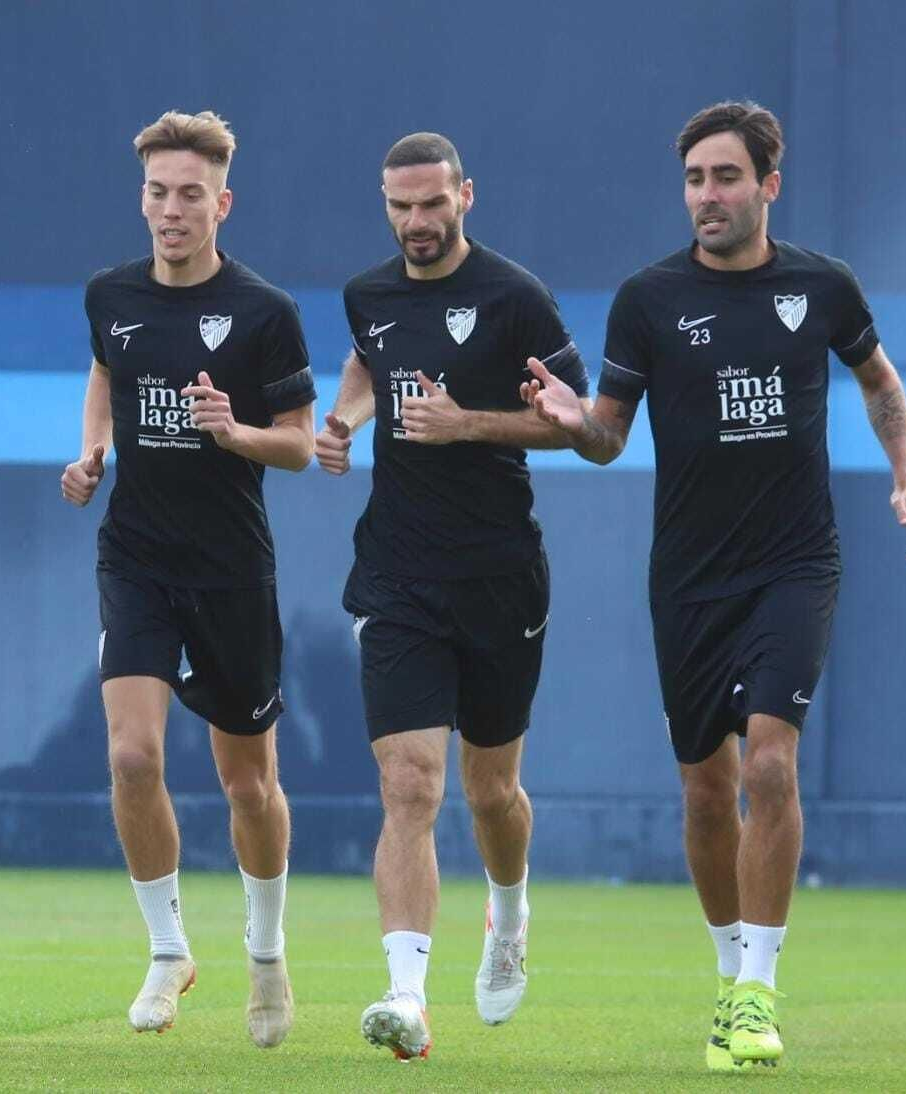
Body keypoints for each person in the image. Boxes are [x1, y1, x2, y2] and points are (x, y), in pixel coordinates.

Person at [523, 100, 906, 1071]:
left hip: (796, 564)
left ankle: (758, 988)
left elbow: (878, 381)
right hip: (687, 579)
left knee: (768, 764)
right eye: (692, 180)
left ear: (768, 184)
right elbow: (606, 438)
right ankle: (726, 973)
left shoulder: (822, 286)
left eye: (723, 177)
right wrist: (564, 415)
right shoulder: (647, 297)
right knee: (708, 789)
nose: (705, 196)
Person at [315, 132, 590, 1060]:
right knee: (409, 784)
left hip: (500, 574)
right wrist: (345, 418)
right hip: (396, 572)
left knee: (491, 790)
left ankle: (508, 914)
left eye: (433, 204)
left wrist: (466, 423)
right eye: (400, 207)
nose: (417, 223)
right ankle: (407, 996)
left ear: (466, 195)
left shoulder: (516, 298)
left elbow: (581, 421)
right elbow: (366, 361)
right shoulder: (369, 294)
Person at [60, 109, 315, 1048]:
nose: (172, 211)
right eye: (159, 193)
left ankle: (264, 950)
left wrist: (233, 431)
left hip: (232, 570)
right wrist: (91, 451)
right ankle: (169, 950)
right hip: (136, 559)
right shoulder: (110, 295)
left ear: (223, 204)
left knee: (249, 783)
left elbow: (296, 446)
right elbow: (103, 373)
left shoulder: (264, 313)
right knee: (132, 757)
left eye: (191, 196)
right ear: (143, 198)